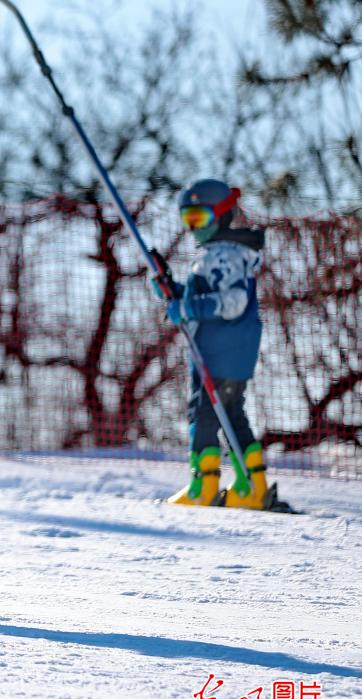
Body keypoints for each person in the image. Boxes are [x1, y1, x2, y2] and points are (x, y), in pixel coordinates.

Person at [153, 178, 275, 510]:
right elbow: (209, 298)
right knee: (231, 413)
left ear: (222, 215)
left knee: (204, 414)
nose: (194, 228)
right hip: (228, 349)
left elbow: (231, 301)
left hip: (219, 350)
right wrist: (174, 292)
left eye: (201, 219)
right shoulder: (224, 253)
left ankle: (203, 487)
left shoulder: (222, 255)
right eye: (188, 219)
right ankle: (253, 484)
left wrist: (187, 307)